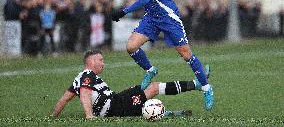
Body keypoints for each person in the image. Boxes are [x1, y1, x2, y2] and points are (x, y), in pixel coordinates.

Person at [104, 0, 214, 110]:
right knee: (131, 46)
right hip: (152, 18)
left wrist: (124, 11)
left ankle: (206, 88)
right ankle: (150, 70)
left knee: (186, 54)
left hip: (167, 16)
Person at [51, 50, 210, 119]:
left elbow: (64, 100)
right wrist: (89, 115)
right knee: (153, 87)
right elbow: (85, 94)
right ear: (91, 62)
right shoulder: (87, 75)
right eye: (100, 60)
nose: (103, 63)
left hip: (115, 102)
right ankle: (196, 84)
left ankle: (162, 113)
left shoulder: (78, 78)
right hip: (114, 106)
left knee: (143, 90)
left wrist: (53, 117)